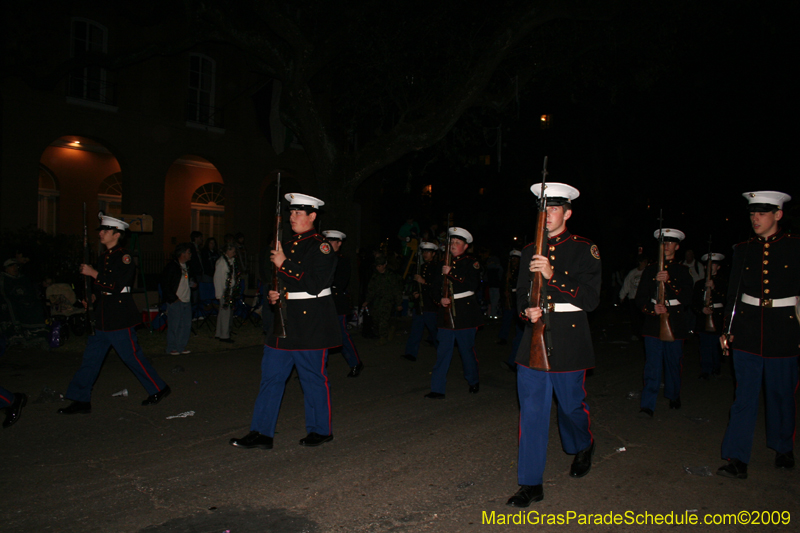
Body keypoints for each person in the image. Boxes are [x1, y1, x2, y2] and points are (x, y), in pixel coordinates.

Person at [506, 183, 601, 507]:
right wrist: (526, 311)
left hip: (569, 337)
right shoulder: (529, 249)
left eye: (554, 209)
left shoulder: (585, 248)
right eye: (543, 209)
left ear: (567, 213)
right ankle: (530, 483)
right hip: (534, 338)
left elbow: (591, 299)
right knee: (532, 412)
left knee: (571, 406)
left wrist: (553, 273)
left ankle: (583, 444)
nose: (547, 215)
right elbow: (521, 293)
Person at [229, 193, 340, 450]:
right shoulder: (287, 245)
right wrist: (275, 293)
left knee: (312, 379)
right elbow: (284, 282)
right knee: (271, 377)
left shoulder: (321, 247)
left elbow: (314, 284)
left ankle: (320, 430)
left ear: (312, 216)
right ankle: (261, 432)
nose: (292, 217)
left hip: (310, 324)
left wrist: (284, 264)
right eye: (291, 212)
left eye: (298, 213)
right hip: (284, 320)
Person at [718, 190, 799, 479]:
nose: (755, 218)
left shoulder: (794, 246)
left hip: (784, 330)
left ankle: (783, 447)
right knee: (744, 397)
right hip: (748, 329)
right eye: (753, 213)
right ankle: (737, 457)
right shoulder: (743, 248)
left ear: (778, 215)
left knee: (781, 394)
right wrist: (727, 329)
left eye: (762, 213)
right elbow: (734, 292)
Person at [58, 214, 171, 414]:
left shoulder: (124, 258)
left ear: (117, 234)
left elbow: (118, 285)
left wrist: (93, 273)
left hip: (119, 316)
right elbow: (100, 286)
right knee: (90, 360)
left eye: (105, 230)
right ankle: (80, 399)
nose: (101, 233)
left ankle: (158, 388)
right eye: (101, 230)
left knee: (131, 357)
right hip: (102, 316)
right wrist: (92, 297)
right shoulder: (103, 257)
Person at [634, 228, 693, 417]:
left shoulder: (682, 271)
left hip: (674, 321)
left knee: (673, 362)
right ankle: (647, 404)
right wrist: (653, 309)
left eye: (670, 242)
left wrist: (669, 282)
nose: (666, 246)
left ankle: (674, 395)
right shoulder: (650, 269)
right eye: (663, 242)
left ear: (677, 246)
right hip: (653, 322)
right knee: (652, 365)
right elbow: (640, 298)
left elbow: (688, 298)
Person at [424, 227, 482, 399]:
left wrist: (451, 273)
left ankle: (473, 380)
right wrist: (439, 300)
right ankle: (437, 388)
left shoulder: (471, 263)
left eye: (458, 242)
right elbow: (434, 288)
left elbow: (473, 285)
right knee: (443, 352)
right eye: (452, 242)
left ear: (466, 246)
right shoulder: (441, 264)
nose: (454, 245)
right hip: (446, 313)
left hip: (465, 313)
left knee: (466, 351)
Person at [323, 230, 363, 377]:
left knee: (341, 335)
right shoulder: (321, 258)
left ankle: (355, 362)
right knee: (319, 336)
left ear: (339, 243)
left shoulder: (342, 260)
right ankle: (315, 367)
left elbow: (340, 283)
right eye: (327, 240)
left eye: (331, 241)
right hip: (322, 302)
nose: (328, 243)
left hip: (336, 302)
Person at [402, 241, 439, 362]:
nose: (425, 254)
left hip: (430, 305)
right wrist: (415, 292)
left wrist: (423, 282)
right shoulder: (421, 268)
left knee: (434, 331)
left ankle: (442, 353)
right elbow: (415, 285)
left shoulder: (437, 268)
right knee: (416, 330)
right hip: (419, 305)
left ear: (433, 254)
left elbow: (437, 287)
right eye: (424, 252)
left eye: (428, 252)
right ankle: (411, 353)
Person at [691, 253, 726, 380]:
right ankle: (705, 369)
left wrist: (714, 288)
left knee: (716, 345)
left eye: (714, 265)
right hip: (703, 318)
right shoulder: (699, 284)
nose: (711, 267)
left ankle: (716, 367)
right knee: (704, 345)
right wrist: (701, 309)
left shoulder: (723, 283)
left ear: (718, 267)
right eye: (709, 265)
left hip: (717, 317)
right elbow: (694, 302)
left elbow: (726, 300)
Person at [362, 254, 403, 345]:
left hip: (387, 301)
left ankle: (383, 337)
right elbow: (371, 289)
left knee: (383, 319)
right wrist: (367, 300)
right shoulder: (375, 276)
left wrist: (399, 303)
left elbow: (396, 290)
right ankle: (388, 329)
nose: (378, 268)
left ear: (384, 265)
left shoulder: (391, 276)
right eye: (377, 266)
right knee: (376, 318)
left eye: (380, 266)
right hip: (377, 300)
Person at [161, 243, 193, 355]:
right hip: (176, 300)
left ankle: (181, 346)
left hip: (186, 300)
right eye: (188, 252)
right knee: (174, 325)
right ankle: (172, 347)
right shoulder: (172, 266)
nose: (190, 254)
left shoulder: (186, 266)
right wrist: (173, 298)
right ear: (182, 254)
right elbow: (165, 284)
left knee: (186, 325)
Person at [499, 250, 525, 372]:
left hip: (521, 300)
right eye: (512, 259)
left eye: (516, 259)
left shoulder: (522, 270)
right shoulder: (509, 271)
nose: (514, 261)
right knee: (507, 319)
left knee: (520, 334)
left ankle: (514, 362)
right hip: (511, 299)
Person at [619, 254, 648, 341]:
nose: (645, 263)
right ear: (640, 262)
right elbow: (626, 284)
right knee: (635, 317)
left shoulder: (647, 272)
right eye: (644, 262)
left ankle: (644, 334)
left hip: (643, 299)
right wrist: (622, 296)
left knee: (643, 317)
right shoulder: (633, 273)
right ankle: (635, 333)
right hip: (633, 298)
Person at [214, 242, 239, 344]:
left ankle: (219, 333)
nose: (234, 253)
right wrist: (219, 294)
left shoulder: (230, 261)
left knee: (223, 312)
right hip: (224, 291)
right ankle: (224, 335)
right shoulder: (221, 262)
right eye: (232, 251)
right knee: (225, 313)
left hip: (229, 290)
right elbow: (217, 279)